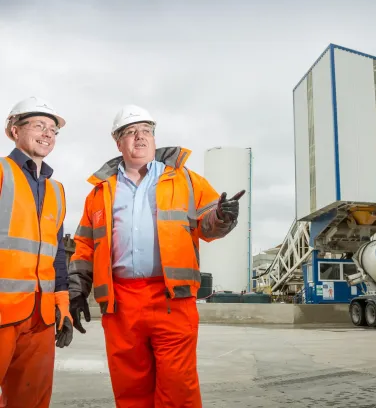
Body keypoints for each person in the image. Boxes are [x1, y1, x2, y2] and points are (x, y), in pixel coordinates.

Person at [68, 104, 244, 408]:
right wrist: (76, 289)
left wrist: (223, 217)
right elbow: (85, 245)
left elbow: (208, 228)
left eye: (146, 131)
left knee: (178, 388)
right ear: (117, 141)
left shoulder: (186, 180)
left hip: (171, 300)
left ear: (154, 136)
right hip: (120, 302)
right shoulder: (99, 193)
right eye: (130, 132)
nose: (139, 137)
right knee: (130, 387)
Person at [0, 96, 73, 408]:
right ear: (15, 131)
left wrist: (63, 307)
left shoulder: (57, 191)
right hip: (2, 311)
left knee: (31, 400)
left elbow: (57, 256)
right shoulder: (2, 173)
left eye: (53, 130)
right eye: (40, 126)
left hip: (41, 318)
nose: (48, 134)